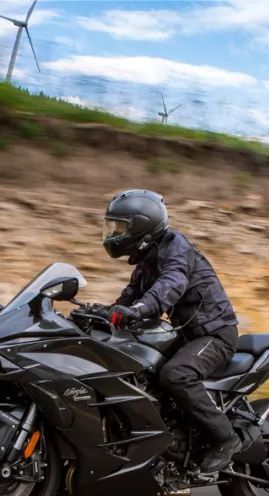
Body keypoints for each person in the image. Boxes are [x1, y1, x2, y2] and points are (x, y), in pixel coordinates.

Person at [101, 188, 242, 473]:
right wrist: (99, 314)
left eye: (120, 227)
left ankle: (226, 439)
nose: (114, 233)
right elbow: (128, 296)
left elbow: (172, 283)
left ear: (141, 226)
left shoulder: (176, 246)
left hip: (215, 333)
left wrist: (141, 309)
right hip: (187, 336)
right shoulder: (146, 262)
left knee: (176, 374)